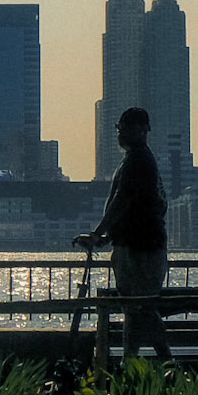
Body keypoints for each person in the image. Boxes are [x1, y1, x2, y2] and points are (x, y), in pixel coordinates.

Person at [76, 106, 172, 363]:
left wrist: (98, 234)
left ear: (142, 129)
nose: (121, 133)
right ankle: (132, 363)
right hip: (137, 245)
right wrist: (108, 237)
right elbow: (136, 207)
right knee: (136, 309)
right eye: (120, 128)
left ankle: (163, 361)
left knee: (140, 308)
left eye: (125, 128)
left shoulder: (138, 161)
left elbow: (122, 201)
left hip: (142, 249)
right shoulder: (137, 160)